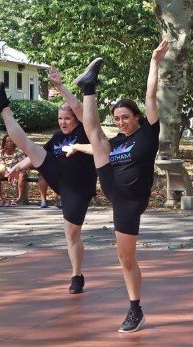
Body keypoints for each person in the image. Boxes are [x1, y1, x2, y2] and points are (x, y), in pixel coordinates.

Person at [67, 40, 167, 333]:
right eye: (118, 119)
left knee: (125, 258)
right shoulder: (118, 141)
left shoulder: (148, 134)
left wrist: (154, 62)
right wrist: (78, 147)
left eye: (126, 117)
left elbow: (150, 95)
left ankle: (136, 309)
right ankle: (88, 86)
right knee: (95, 136)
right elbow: (95, 143)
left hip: (129, 201)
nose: (122, 122)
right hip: (111, 184)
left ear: (137, 117)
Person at [0, 67, 98, 296]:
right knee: (27, 144)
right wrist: (18, 166)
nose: (63, 122)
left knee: (71, 235)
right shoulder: (57, 137)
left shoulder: (85, 132)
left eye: (67, 119)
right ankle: (4, 107)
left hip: (78, 189)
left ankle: (77, 275)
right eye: (60, 119)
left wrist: (59, 86)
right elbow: (37, 154)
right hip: (58, 177)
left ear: (76, 119)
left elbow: (79, 107)